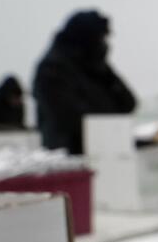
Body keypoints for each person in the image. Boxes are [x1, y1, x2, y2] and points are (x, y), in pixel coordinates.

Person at [32, 10, 137, 155]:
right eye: (101, 38)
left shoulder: (95, 66)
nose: (105, 44)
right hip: (69, 160)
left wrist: (106, 71)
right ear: (88, 39)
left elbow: (128, 103)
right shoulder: (52, 69)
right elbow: (71, 120)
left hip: (106, 152)